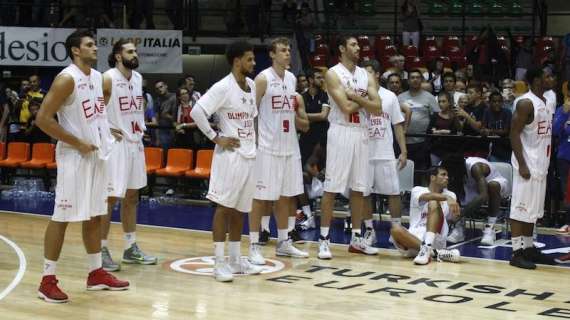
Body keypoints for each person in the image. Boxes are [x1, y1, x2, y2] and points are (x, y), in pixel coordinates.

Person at [36, 29, 129, 303]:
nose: (94, 49)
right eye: (89, 45)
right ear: (76, 50)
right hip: (73, 157)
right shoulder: (66, 79)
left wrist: (105, 130)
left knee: (95, 215)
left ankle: (95, 273)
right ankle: (47, 280)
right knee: (62, 217)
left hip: (97, 155)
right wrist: (77, 141)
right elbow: (43, 119)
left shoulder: (98, 78)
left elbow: (92, 114)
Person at [189, 40, 263, 282]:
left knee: (240, 210)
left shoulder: (251, 85)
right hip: (229, 158)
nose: (253, 63)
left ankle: (235, 259)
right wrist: (216, 138)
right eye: (249, 59)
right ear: (237, 61)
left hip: (249, 155)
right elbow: (197, 112)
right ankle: (219, 263)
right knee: (224, 208)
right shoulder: (222, 87)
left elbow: (252, 118)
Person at [247, 37, 310, 265]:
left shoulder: (292, 79)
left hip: (290, 146)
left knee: (287, 196)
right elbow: (249, 111)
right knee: (260, 198)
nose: (287, 54)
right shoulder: (262, 79)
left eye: (289, 50)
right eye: (283, 51)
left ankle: (284, 242)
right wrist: (251, 142)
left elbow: (291, 114)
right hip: (267, 147)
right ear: (272, 54)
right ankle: (253, 245)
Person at [318, 35, 381, 260]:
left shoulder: (366, 74)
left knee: (358, 188)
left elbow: (378, 107)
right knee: (332, 188)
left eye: (358, 45)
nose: (358, 48)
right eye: (353, 45)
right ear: (342, 48)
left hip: (362, 132)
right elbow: (345, 107)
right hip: (341, 130)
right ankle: (324, 240)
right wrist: (363, 99)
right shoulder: (332, 74)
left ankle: (356, 239)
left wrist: (357, 97)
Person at [100, 39, 157, 272]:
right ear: (117, 56)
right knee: (110, 198)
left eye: (136, 51)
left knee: (132, 196)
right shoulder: (108, 78)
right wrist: (104, 128)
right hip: (116, 145)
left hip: (135, 143)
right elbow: (95, 109)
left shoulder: (138, 78)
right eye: (130, 51)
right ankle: (101, 249)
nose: (135, 55)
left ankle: (130, 247)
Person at [509, 66, 556, 269]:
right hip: (526, 164)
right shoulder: (526, 103)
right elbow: (513, 134)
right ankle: (516, 253)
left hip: (540, 165)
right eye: (547, 76)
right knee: (520, 210)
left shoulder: (545, 101)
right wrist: (521, 164)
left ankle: (528, 248)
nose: (552, 79)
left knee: (532, 211)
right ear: (537, 80)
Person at [362, 60, 408, 246]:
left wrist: (403, 151)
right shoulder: (358, 97)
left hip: (385, 152)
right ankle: (369, 231)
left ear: (378, 74)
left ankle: (395, 231)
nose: (365, 77)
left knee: (393, 192)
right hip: (364, 152)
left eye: (369, 73)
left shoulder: (389, 97)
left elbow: (397, 125)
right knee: (364, 193)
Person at [390, 166, 461, 265]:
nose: (447, 177)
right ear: (433, 177)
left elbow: (451, 219)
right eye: (443, 175)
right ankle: (435, 253)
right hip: (412, 241)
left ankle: (428, 246)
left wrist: (456, 215)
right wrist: (446, 197)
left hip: (436, 238)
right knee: (395, 229)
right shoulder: (417, 190)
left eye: (447, 175)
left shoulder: (451, 195)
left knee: (433, 203)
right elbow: (427, 196)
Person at [446, 156, 510, 245]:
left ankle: (490, 228)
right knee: (454, 185)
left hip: (496, 185)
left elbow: (483, 196)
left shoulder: (475, 167)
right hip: (474, 187)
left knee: (492, 186)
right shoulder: (447, 166)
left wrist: (460, 215)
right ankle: (459, 228)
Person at [429, 91, 461, 166]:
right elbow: (431, 131)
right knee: (435, 170)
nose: (441, 104)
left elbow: (457, 132)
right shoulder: (435, 115)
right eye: (439, 102)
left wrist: (439, 131)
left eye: (443, 101)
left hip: (451, 150)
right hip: (436, 150)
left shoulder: (454, 116)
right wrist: (445, 131)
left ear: (449, 102)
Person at [482, 92, 512, 162]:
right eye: (494, 101)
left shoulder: (507, 112)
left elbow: (506, 131)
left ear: (502, 102)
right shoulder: (487, 111)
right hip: (494, 149)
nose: (497, 103)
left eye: (499, 101)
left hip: (507, 148)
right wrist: (484, 131)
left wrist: (490, 131)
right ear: (489, 102)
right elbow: (483, 128)